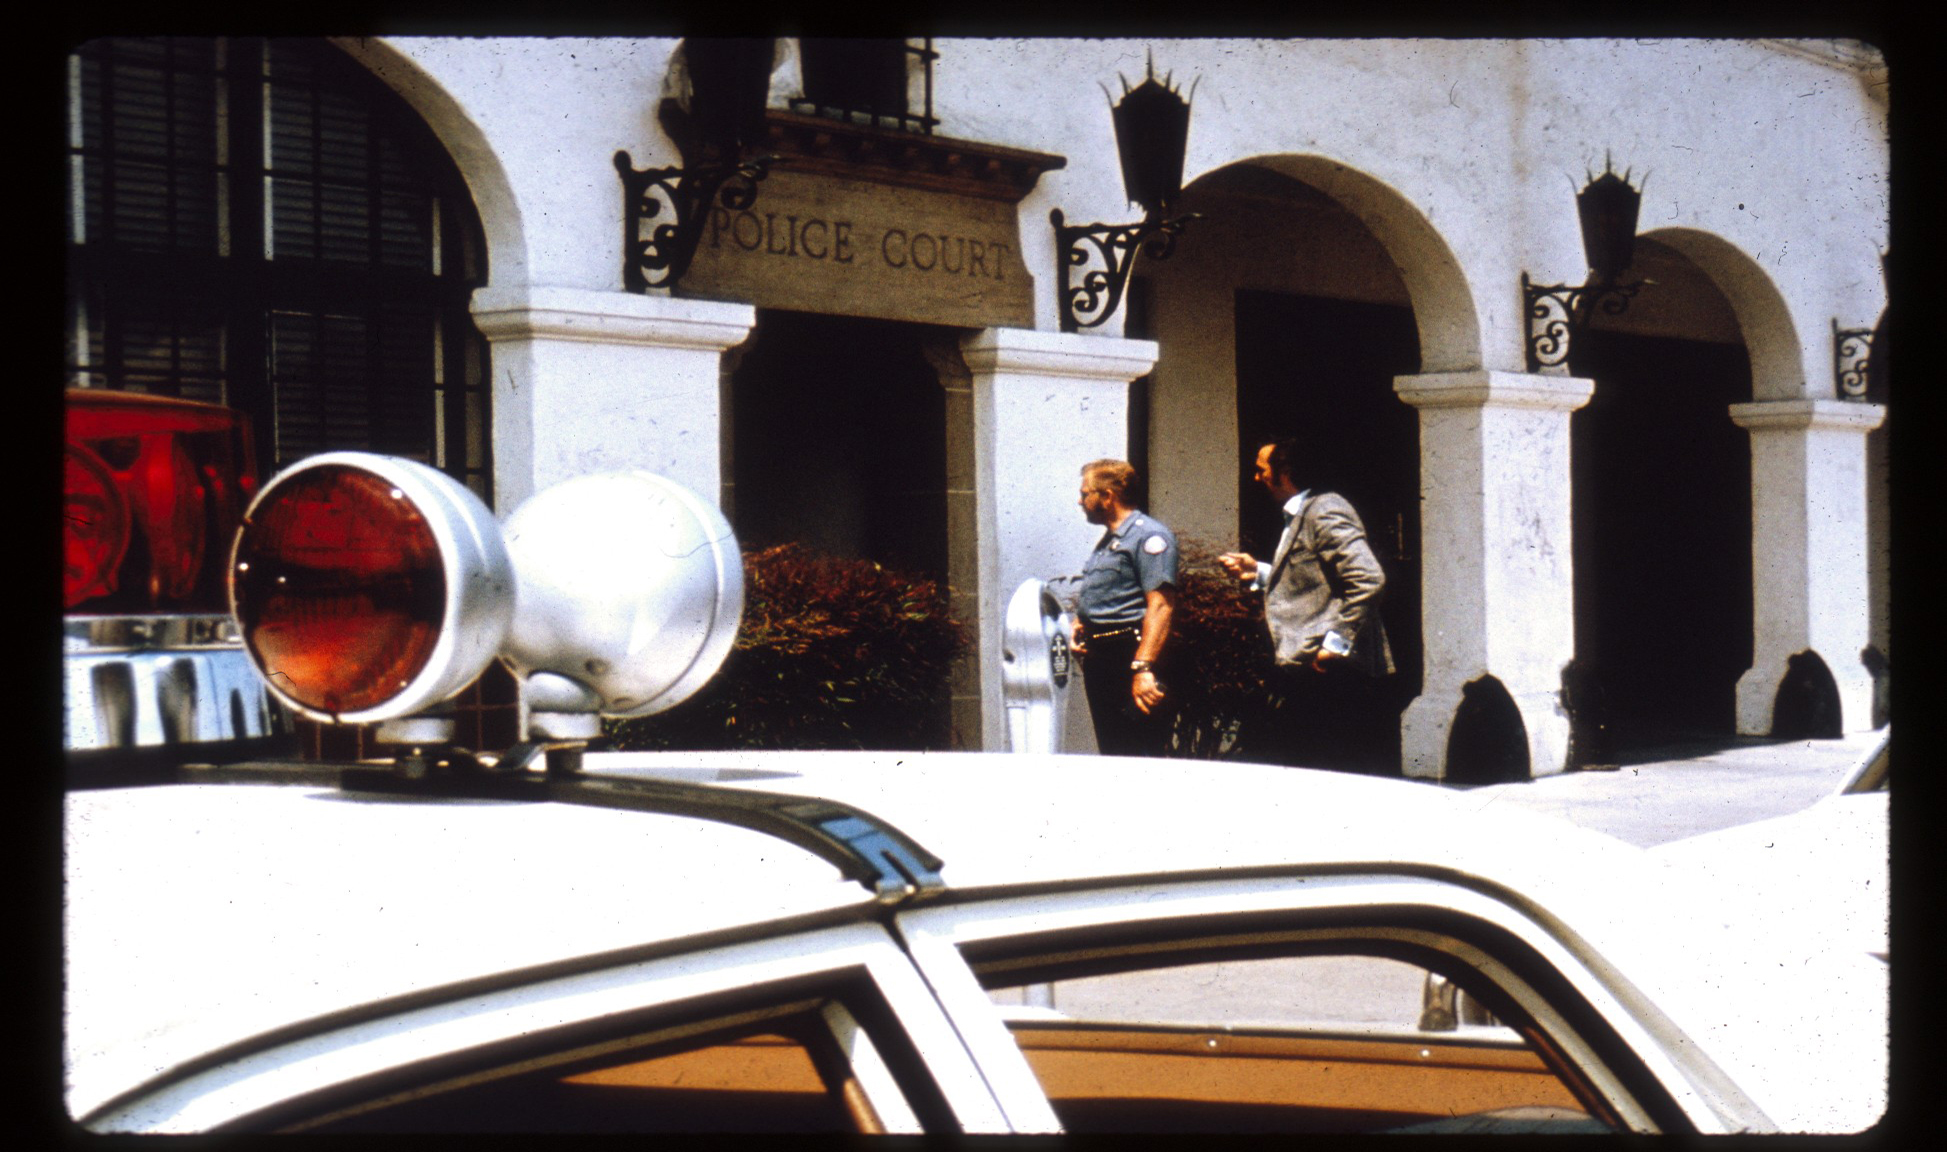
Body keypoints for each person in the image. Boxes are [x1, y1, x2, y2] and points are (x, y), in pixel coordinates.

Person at [1219, 439, 1393, 770]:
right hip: (1311, 665)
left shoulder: (1325, 510)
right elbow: (1312, 581)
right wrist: (1257, 571)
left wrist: (1335, 644)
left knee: (1328, 766)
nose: (1256, 479)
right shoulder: (1300, 515)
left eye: (1261, 471)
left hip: (1331, 670)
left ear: (1284, 472)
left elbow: (1369, 579)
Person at [1070, 459, 1179, 757]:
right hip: (1102, 658)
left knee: (1136, 753)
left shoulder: (1149, 537)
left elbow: (1161, 606)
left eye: (1085, 493)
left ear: (1107, 496)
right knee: (1113, 751)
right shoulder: (1110, 541)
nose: (1080, 501)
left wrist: (1143, 668)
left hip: (1128, 657)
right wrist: (1081, 625)